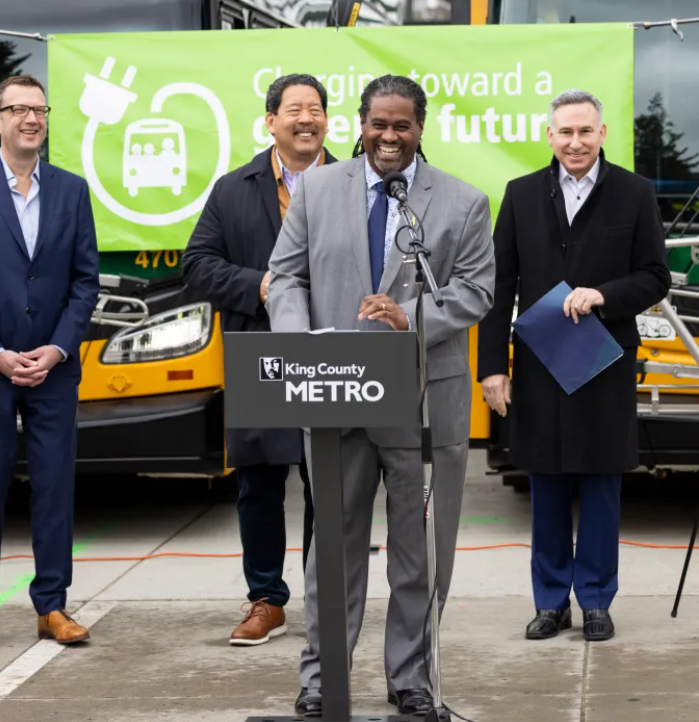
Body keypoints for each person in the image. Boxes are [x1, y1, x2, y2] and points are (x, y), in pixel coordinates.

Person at [266, 75, 494, 718]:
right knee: (331, 549)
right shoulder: (314, 190)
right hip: (332, 393)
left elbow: (476, 291)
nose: (389, 138)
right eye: (378, 124)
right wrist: (298, 344)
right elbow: (283, 277)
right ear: (359, 124)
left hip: (422, 402)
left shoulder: (463, 202)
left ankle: (412, 678)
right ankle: (321, 679)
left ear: (421, 128)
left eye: (402, 126)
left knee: (419, 551)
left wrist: (413, 316)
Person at [477, 90, 670, 643]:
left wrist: (602, 294)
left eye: (585, 132)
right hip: (539, 365)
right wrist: (493, 367)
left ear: (602, 134)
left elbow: (655, 276)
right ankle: (550, 601)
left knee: (601, 484)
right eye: (565, 132)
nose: (575, 142)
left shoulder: (634, 193)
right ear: (550, 136)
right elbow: (500, 286)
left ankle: (596, 601)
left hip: (604, 364)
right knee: (547, 485)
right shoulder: (519, 195)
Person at [0, 74, 100, 652]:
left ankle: (52, 606)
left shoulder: (72, 190)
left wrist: (56, 349)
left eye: (40, 109)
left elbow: (86, 284)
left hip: (53, 369)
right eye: (19, 109)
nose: (32, 118)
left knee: (54, 488)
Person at [182, 74, 334, 647]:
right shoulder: (233, 189)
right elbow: (198, 264)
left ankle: (330, 598)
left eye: (315, 109)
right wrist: (261, 286)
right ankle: (266, 599)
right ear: (270, 121)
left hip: (333, 354)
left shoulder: (355, 182)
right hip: (260, 352)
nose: (305, 118)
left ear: (326, 121)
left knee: (331, 483)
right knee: (259, 484)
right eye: (293, 109)